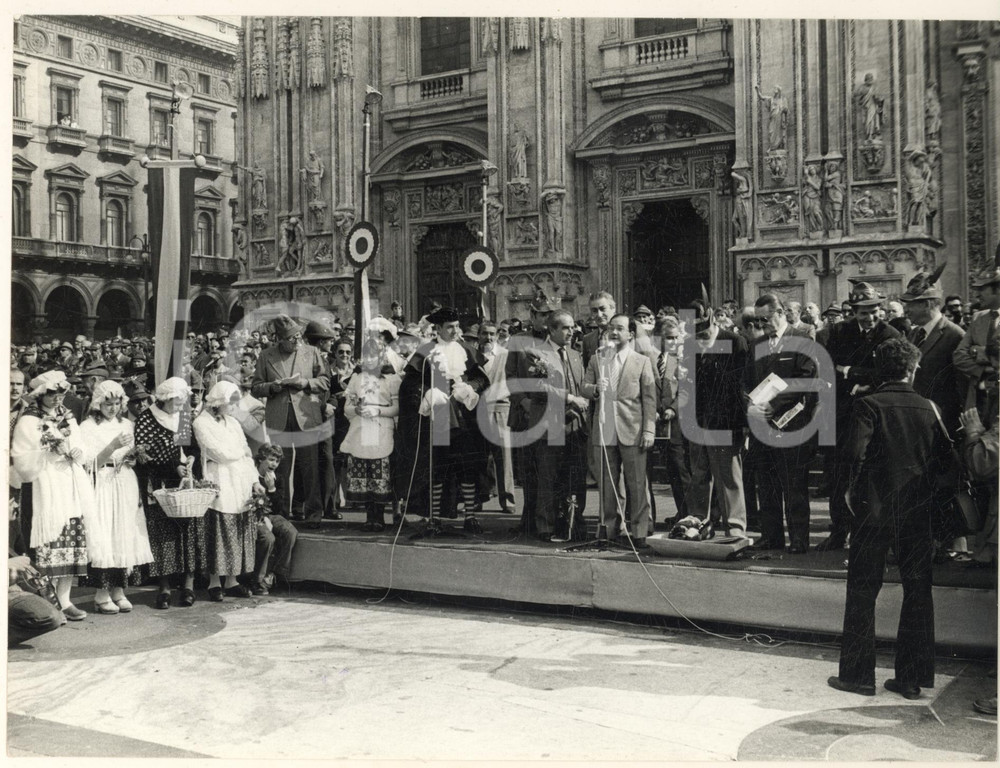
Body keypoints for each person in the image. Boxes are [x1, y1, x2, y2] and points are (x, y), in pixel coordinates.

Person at [828, 339, 949, 699]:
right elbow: (946, 462)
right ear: (913, 369)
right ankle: (911, 679)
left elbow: (852, 454)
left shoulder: (868, 405)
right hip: (917, 512)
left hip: (873, 511)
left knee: (863, 590)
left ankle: (858, 676)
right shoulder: (930, 408)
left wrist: (851, 494)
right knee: (918, 591)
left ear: (881, 370)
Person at [10, 370, 95, 621]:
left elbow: (81, 445)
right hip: (44, 483)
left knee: (71, 539)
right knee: (47, 543)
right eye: (52, 394)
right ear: (40, 395)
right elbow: (21, 457)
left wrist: (76, 451)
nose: (58, 398)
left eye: (61, 393)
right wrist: (45, 449)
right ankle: (48, 601)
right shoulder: (29, 420)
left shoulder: (67, 417)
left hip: (69, 482)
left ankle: (65, 600)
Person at [396, 306, 490, 532]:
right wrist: (427, 393)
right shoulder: (425, 351)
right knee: (438, 467)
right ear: (437, 328)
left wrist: (469, 387)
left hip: (465, 417)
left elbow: (482, 379)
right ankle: (435, 518)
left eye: (457, 326)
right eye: (450, 327)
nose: (455, 331)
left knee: (467, 466)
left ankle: (470, 516)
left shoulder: (465, 349)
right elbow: (410, 385)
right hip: (437, 417)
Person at [745, 295, 818, 554]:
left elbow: (806, 378)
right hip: (762, 425)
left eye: (764, 319)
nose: (761, 324)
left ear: (780, 313)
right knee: (766, 484)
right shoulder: (757, 345)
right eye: (757, 320)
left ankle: (798, 538)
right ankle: (771, 536)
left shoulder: (802, 339)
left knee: (794, 483)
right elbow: (747, 380)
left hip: (791, 423)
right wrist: (751, 404)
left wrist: (774, 405)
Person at [582, 314, 657, 545]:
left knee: (637, 483)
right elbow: (584, 387)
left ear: (630, 334)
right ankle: (609, 528)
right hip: (604, 428)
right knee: (607, 483)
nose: (614, 332)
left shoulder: (641, 361)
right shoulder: (598, 359)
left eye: (620, 328)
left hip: (633, 429)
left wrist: (649, 430)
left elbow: (649, 399)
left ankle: (640, 531)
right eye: (611, 328)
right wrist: (595, 388)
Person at [79, 380, 154, 614]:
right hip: (103, 481)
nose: (112, 408)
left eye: (116, 403)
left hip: (124, 480)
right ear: (98, 403)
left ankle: (119, 591)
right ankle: (101, 594)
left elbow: (131, 457)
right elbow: (90, 464)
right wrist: (112, 446)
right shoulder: (88, 426)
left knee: (124, 531)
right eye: (108, 403)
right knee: (105, 533)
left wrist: (133, 457)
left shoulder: (127, 424)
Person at [251, 315, 331, 529]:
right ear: (279, 339)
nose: (297, 341)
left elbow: (325, 381)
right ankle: (281, 513)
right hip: (279, 418)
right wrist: (272, 387)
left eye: (298, 336)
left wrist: (305, 383)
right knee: (280, 468)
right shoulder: (266, 355)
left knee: (310, 467)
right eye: (291, 338)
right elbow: (256, 387)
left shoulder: (311, 352)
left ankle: (313, 513)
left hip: (306, 417)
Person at [134, 376, 205, 610]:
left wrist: (191, 458)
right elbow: (146, 456)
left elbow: (191, 446)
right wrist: (173, 467)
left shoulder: (182, 417)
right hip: (159, 483)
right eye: (177, 401)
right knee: (163, 534)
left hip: (184, 482)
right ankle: (164, 587)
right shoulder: (147, 418)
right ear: (165, 398)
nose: (181, 405)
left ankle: (188, 585)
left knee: (188, 532)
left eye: (183, 401)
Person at [682, 308, 749, 537]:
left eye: (704, 331)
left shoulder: (735, 342)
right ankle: (698, 524)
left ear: (712, 318)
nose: (701, 337)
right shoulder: (691, 345)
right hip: (698, 421)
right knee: (699, 477)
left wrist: (742, 425)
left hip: (726, 423)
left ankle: (735, 528)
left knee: (728, 478)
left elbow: (741, 386)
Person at [524, 310, 589, 541]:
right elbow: (537, 387)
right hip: (549, 424)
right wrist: (569, 399)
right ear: (551, 330)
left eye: (572, 327)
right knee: (548, 477)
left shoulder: (575, 355)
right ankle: (546, 526)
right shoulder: (536, 353)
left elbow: (582, 386)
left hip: (575, 425)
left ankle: (571, 523)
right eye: (565, 328)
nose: (571, 332)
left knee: (574, 478)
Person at [194, 381, 260, 602]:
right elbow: (217, 452)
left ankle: (232, 581)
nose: (234, 406)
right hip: (219, 479)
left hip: (239, 482)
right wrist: (239, 452)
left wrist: (255, 480)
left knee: (237, 531)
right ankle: (214, 582)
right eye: (231, 402)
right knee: (218, 531)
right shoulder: (201, 423)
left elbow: (247, 454)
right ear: (219, 401)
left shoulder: (233, 423)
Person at [340, 336, 401, 532]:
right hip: (361, 428)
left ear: (381, 356)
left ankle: (380, 517)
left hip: (381, 427)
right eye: (366, 356)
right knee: (363, 473)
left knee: (379, 473)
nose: (369, 359)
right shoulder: (356, 378)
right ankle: (369, 517)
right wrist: (355, 410)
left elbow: (397, 408)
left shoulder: (391, 379)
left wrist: (378, 410)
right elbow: (347, 408)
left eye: (373, 356)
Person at [477, 321, 515, 515]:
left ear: (498, 335)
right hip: (477, 409)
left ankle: (507, 500)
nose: (488, 338)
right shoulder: (471, 356)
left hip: (500, 407)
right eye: (484, 333)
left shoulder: (505, 355)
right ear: (479, 335)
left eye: (492, 334)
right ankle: (478, 499)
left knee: (503, 456)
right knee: (479, 455)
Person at [253, 444, 299, 593]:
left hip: (272, 515)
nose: (274, 464)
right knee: (268, 538)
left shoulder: (278, 478)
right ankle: (258, 580)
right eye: (271, 459)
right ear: (261, 459)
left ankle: (275, 574)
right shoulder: (252, 475)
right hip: (254, 515)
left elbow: (281, 509)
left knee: (290, 532)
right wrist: (262, 517)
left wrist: (272, 488)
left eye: (277, 461)